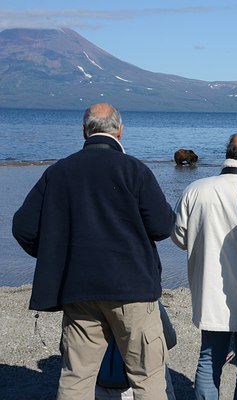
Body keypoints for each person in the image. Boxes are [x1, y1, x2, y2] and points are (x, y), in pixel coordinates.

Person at [12, 103, 175, 400]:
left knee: (76, 379)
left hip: (79, 289)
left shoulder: (58, 171)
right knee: (147, 379)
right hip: (133, 289)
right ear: (120, 131)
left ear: (84, 130)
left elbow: (23, 228)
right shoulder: (135, 170)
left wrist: (57, 255)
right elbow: (163, 226)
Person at [171, 133, 237, 400]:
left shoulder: (196, 189)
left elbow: (180, 238)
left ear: (227, 154)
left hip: (209, 290)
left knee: (209, 360)